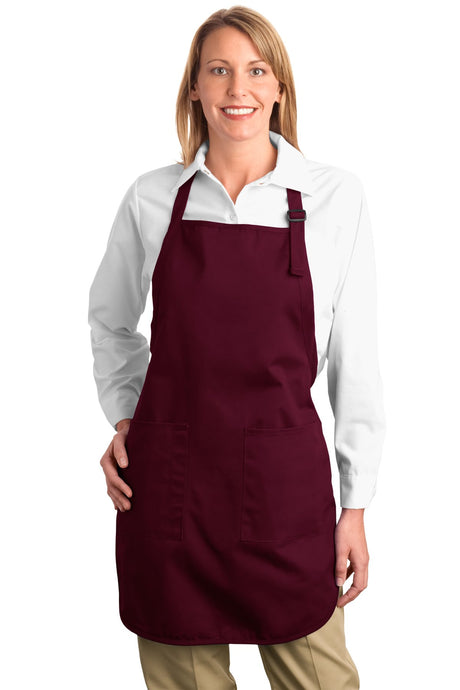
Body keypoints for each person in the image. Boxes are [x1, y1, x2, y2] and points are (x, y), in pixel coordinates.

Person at [88, 5, 385, 689]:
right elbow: (109, 322)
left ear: (279, 86)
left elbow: (357, 361)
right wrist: (128, 418)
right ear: (194, 88)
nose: (237, 88)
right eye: (218, 70)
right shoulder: (153, 198)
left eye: (255, 70)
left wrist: (356, 505)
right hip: (169, 491)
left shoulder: (334, 197)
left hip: (285, 492)